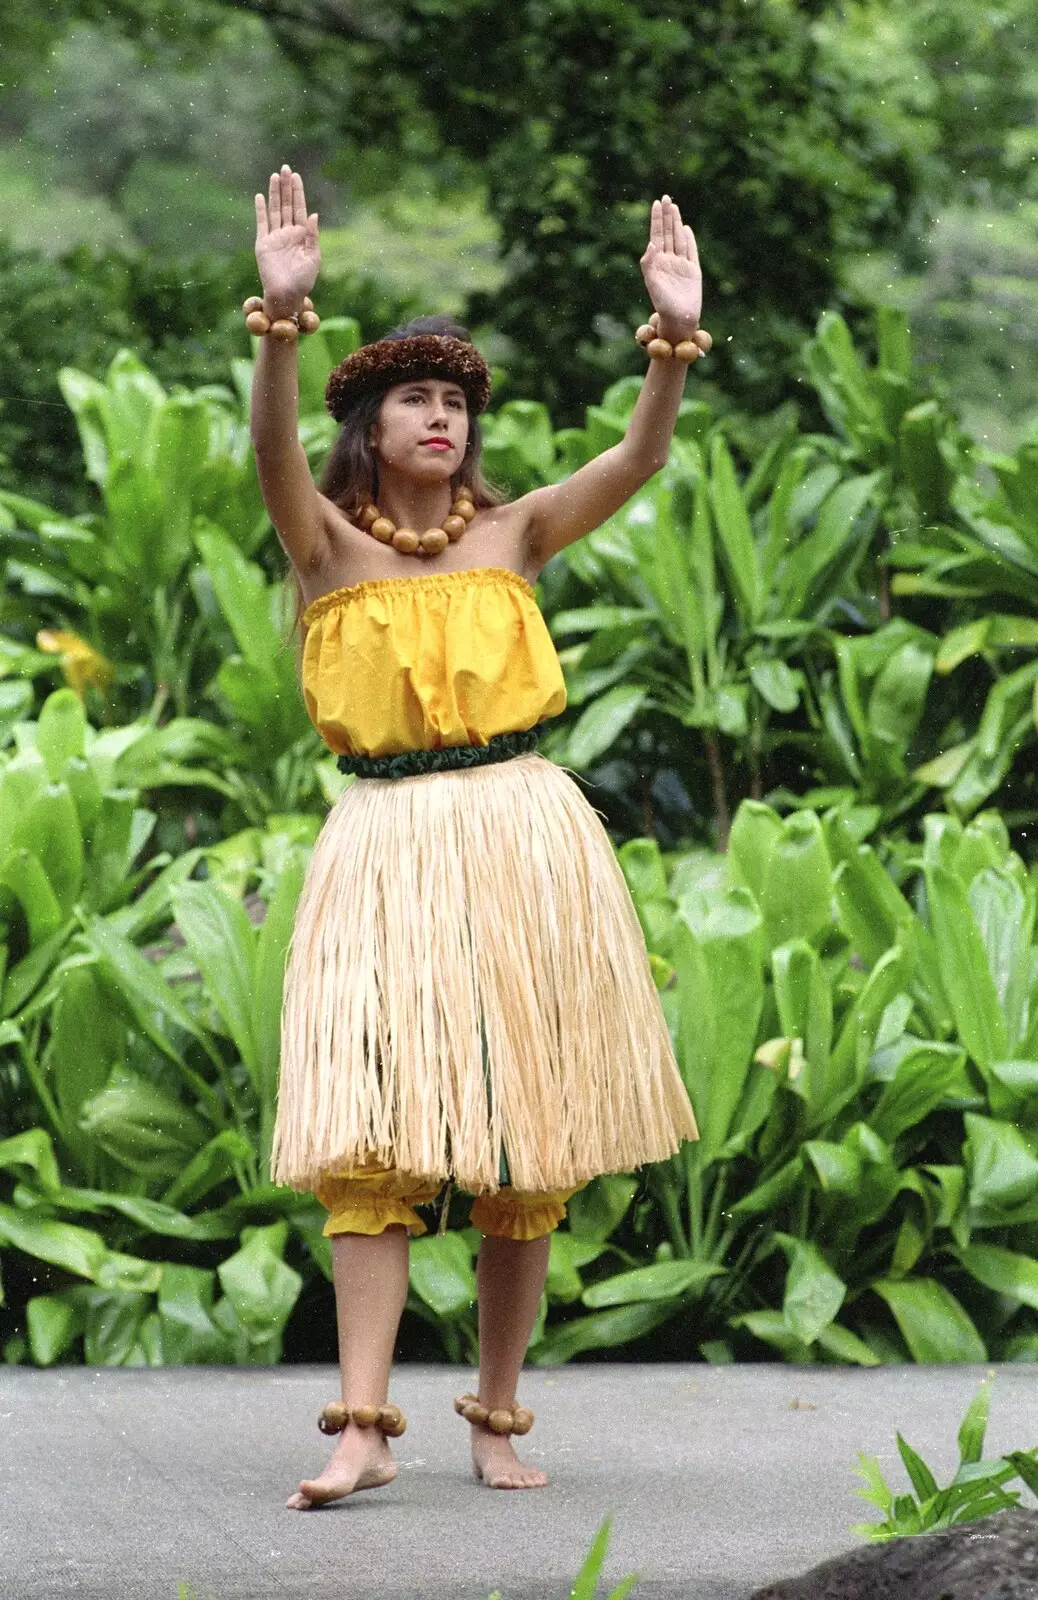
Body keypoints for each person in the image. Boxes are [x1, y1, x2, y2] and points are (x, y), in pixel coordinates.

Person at [249, 164, 703, 1509]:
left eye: (454, 401)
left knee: (527, 1135)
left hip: (523, 836)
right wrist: (282, 325)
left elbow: (638, 457)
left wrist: (668, 342)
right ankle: (360, 1424)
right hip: (386, 842)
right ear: (369, 428)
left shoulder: (515, 533)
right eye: (413, 399)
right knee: (370, 1133)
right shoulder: (329, 546)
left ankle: (496, 1418)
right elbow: (269, 455)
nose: (439, 416)